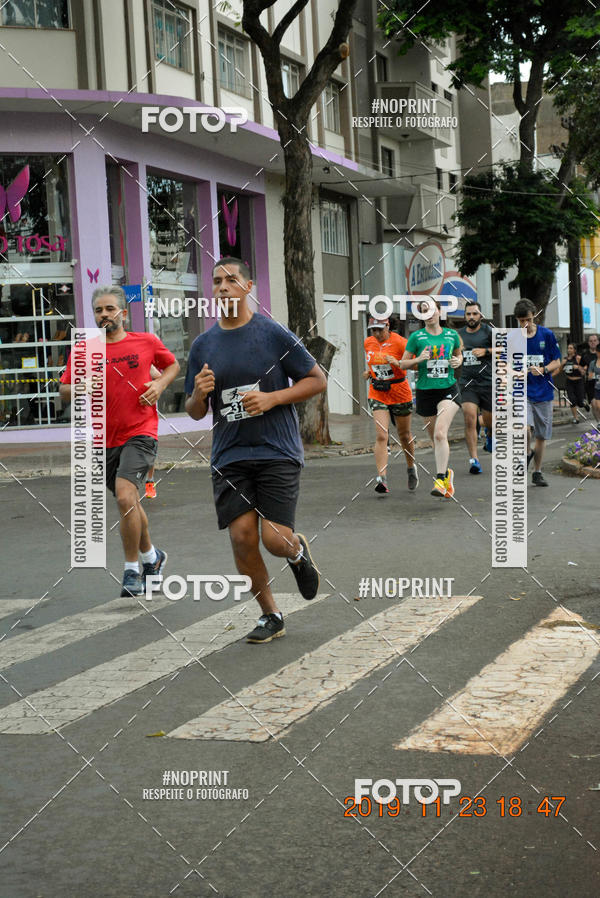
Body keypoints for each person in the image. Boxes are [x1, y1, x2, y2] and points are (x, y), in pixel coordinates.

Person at [185, 257, 327, 645]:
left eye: (232, 280)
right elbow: (195, 411)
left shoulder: (273, 334)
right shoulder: (203, 345)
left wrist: (272, 398)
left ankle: (297, 553)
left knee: (274, 540)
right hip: (229, 456)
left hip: (276, 449)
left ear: (249, 288)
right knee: (242, 538)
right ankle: (271, 614)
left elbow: (317, 380)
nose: (223, 287)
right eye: (216, 282)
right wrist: (198, 393)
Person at [59, 286, 180, 596]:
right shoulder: (85, 349)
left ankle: (131, 571)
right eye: (99, 310)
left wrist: (160, 385)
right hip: (104, 440)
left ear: (123, 314)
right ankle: (153, 558)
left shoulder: (146, 342)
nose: (104, 315)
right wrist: (82, 386)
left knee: (126, 498)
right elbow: (64, 390)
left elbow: (172, 366)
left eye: (110, 309)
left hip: (141, 431)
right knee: (131, 503)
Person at [395, 299, 463, 498]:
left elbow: (459, 356)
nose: (429, 313)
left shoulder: (452, 335)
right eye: (424, 311)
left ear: (440, 312)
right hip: (425, 391)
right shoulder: (417, 337)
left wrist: (457, 361)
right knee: (435, 439)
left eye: (432, 309)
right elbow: (403, 364)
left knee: (441, 434)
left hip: (448, 389)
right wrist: (418, 359)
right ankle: (447, 476)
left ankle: (440, 478)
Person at [363, 317, 417, 493]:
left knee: (404, 434)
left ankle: (410, 468)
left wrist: (399, 363)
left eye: (380, 329)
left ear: (388, 326)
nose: (376, 334)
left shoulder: (401, 343)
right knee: (381, 435)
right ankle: (382, 478)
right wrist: (368, 372)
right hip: (378, 392)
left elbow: (416, 365)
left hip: (399, 392)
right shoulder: (368, 343)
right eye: (373, 330)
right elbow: (374, 364)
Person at [514, 298, 561, 487]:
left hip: (544, 393)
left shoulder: (547, 335)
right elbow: (504, 364)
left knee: (541, 437)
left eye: (528, 319)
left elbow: (557, 361)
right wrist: (515, 372)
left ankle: (537, 472)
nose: (525, 324)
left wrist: (543, 369)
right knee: (524, 428)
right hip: (523, 392)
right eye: (521, 320)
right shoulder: (513, 338)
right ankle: (526, 453)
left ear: (534, 316)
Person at [457, 301, 494, 473]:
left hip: (487, 382)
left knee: (490, 420)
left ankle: (490, 435)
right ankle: (474, 460)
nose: (471, 317)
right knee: (469, 417)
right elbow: (454, 353)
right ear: (465, 316)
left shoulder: (488, 331)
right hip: (467, 383)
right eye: (468, 314)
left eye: (474, 314)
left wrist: (486, 351)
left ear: (480, 315)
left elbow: (505, 348)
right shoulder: (459, 335)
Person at [561, 343, 587, 424]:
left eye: (571, 348)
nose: (569, 350)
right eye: (568, 348)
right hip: (569, 381)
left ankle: (584, 404)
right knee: (572, 400)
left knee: (580, 402)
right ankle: (576, 418)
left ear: (575, 350)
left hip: (579, 381)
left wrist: (578, 367)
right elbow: (560, 369)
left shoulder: (579, 358)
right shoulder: (565, 359)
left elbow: (585, 369)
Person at [579, 333, 599, 408]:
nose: (593, 342)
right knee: (594, 404)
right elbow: (580, 366)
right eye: (591, 341)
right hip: (590, 383)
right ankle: (598, 419)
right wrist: (582, 371)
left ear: (598, 342)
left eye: (594, 340)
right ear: (588, 343)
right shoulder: (585, 354)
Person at [587, 341, 600, 423]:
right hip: (597, 387)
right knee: (597, 406)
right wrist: (594, 376)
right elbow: (589, 376)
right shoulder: (593, 363)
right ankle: (599, 422)